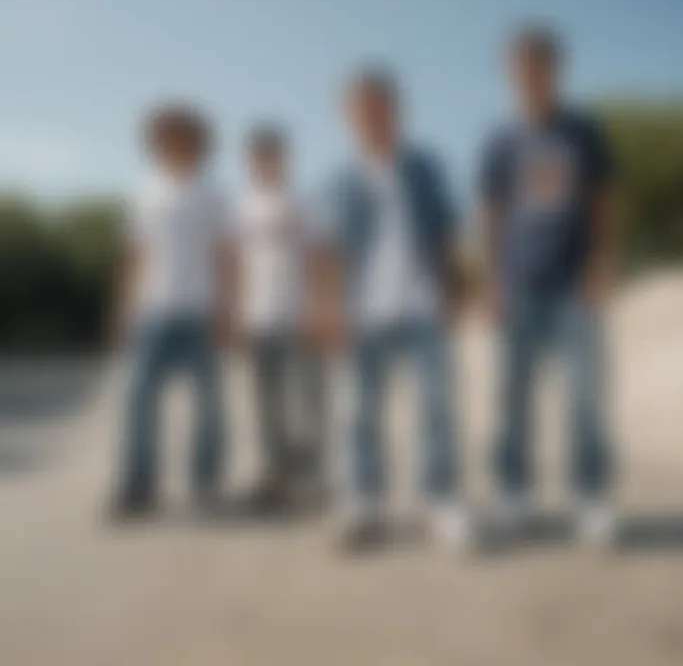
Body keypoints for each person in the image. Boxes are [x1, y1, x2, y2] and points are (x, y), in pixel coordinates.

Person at [315, 66, 469, 551]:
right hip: (363, 313)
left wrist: (456, 294)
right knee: (359, 413)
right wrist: (329, 310)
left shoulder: (426, 168)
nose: (373, 117)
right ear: (347, 117)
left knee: (436, 407)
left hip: (423, 307)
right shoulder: (337, 180)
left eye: (381, 107)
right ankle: (364, 501)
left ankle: (438, 501)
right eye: (362, 110)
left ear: (398, 111)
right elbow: (325, 253)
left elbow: (448, 235)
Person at [478, 26, 617, 545]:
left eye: (541, 64)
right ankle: (515, 494)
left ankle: (590, 498)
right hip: (518, 285)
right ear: (512, 75)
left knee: (585, 396)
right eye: (522, 66)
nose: (531, 74)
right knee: (512, 398)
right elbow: (492, 214)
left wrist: (602, 264)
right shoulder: (501, 140)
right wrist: (492, 281)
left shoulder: (584, 132)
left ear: (557, 69)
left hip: (573, 284)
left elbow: (603, 201)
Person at [109, 104, 234, 517]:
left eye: (183, 135)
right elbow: (135, 255)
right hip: (153, 312)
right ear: (156, 143)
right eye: (167, 136)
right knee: (138, 399)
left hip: (201, 311)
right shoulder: (144, 192)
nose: (175, 143)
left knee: (209, 405)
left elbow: (226, 256)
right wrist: (124, 310)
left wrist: (228, 311)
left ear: (198, 142)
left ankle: (206, 484)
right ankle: (139, 485)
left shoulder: (214, 193)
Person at [233, 124, 325, 511]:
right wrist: (236, 314)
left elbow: (320, 258)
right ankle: (273, 475)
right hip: (258, 315)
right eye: (258, 155)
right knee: (266, 401)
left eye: (272, 154)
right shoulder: (241, 207)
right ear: (250, 161)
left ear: (284, 158)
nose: (266, 162)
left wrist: (319, 308)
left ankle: (314, 478)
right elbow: (236, 264)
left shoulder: (304, 201)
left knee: (308, 398)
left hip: (299, 312)